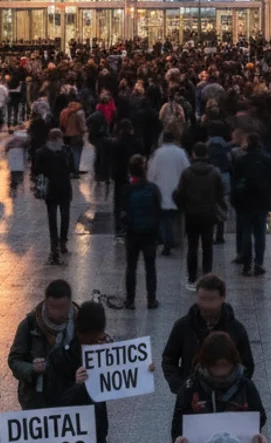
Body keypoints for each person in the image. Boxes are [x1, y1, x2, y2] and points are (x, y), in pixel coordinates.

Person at [163, 274, 255, 393]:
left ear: (223, 298)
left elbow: (247, 365)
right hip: (191, 396)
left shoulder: (236, 328)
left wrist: (234, 389)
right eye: (202, 299)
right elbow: (169, 359)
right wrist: (179, 386)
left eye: (211, 299)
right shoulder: (182, 326)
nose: (206, 305)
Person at [172, 331, 267, 441]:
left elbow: (260, 417)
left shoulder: (245, 385)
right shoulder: (191, 387)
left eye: (225, 365)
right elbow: (177, 424)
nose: (221, 372)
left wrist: (257, 437)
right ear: (206, 364)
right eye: (216, 366)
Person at [45, 301, 110, 443]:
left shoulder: (103, 349)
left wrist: (143, 369)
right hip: (73, 435)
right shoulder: (60, 358)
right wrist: (77, 385)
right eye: (93, 339)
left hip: (97, 432)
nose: (97, 343)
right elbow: (54, 406)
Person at [8, 279, 78, 410]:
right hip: (36, 400)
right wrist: (32, 369)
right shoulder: (29, 325)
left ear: (70, 303)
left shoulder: (80, 323)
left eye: (62, 308)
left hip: (71, 397)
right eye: (53, 308)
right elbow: (14, 360)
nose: (57, 313)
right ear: (45, 302)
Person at [173, 141, 228, 289]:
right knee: (207, 246)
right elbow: (221, 193)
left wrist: (183, 206)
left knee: (192, 246)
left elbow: (180, 194)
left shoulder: (187, 172)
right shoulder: (214, 172)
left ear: (193, 154)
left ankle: (192, 277)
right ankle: (207, 276)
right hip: (208, 214)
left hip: (191, 214)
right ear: (207, 154)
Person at [229, 133, 271, 276]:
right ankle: (258, 262)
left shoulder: (241, 160)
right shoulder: (266, 159)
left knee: (246, 233)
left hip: (245, 202)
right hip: (261, 202)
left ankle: (246, 263)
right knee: (260, 233)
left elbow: (235, 181)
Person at [123, 154, 163, 309]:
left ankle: (130, 300)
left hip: (132, 233)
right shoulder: (152, 189)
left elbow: (122, 210)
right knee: (150, 267)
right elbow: (158, 210)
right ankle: (151, 299)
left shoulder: (127, 189)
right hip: (150, 234)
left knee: (131, 267)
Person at [33, 128, 76, 264]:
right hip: (64, 188)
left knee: (52, 219)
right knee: (65, 216)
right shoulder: (67, 151)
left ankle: (54, 246)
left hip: (50, 189)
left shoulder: (42, 152)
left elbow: (36, 170)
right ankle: (63, 242)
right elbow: (72, 169)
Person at [148, 130, 190, 256]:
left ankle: (168, 240)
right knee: (177, 215)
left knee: (165, 215)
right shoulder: (181, 153)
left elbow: (151, 172)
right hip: (177, 188)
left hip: (161, 187)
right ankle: (177, 239)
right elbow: (187, 169)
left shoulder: (158, 154)